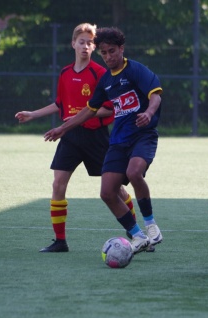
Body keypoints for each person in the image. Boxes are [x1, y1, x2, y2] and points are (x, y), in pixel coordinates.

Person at [15, 23, 138, 253]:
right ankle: (60, 241)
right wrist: (33, 114)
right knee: (58, 184)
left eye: (90, 43)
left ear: (94, 48)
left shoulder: (100, 74)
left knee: (116, 189)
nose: (85, 46)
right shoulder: (65, 73)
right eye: (81, 42)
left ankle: (136, 232)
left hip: (96, 137)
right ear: (73, 43)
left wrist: (81, 115)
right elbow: (60, 104)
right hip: (70, 136)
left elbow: (110, 109)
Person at [43, 26, 163, 254]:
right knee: (107, 192)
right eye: (104, 53)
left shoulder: (136, 70)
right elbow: (88, 110)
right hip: (118, 141)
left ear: (121, 49)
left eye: (112, 51)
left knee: (134, 172)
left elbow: (155, 94)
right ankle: (137, 236)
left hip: (142, 135)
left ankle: (150, 225)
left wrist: (148, 113)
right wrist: (62, 128)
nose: (108, 57)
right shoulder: (106, 80)